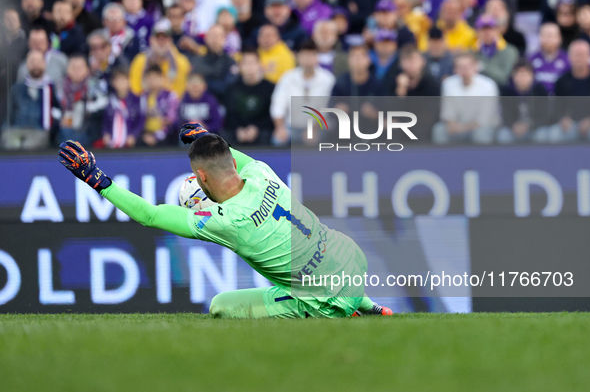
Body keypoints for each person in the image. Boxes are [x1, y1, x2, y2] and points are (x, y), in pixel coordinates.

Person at [57, 129, 394, 318]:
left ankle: (344, 310)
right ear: (232, 162)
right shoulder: (261, 172)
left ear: (200, 177)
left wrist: (96, 179)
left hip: (325, 296)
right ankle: (369, 306)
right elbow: (231, 154)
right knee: (305, 268)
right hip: (351, 257)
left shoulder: (227, 220)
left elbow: (149, 215)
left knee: (220, 306)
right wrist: (207, 135)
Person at [270, 40, 335, 145]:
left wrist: (313, 130)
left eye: (312, 55)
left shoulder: (328, 79)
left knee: (326, 136)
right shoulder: (287, 78)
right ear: (298, 57)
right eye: (305, 55)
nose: (308, 59)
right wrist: (280, 128)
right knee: (278, 140)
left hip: (318, 127)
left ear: (317, 57)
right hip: (291, 127)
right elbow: (278, 105)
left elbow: (326, 109)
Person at [433, 52, 499, 144]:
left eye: (467, 66)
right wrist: (454, 126)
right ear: (455, 69)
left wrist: (462, 128)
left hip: (481, 128)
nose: (464, 70)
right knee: (439, 130)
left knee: (481, 134)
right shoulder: (448, 84)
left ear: (476, 67)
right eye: (460, 67)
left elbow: (484, 119)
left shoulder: (488, 85)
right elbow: (448, 115)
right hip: (456, 128)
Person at [4, 50, 61, 149]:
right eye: (32, 62)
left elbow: (58, 112)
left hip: (38, 131)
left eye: (38, 61)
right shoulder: (16, 89)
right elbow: (9, 115)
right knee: (10, 143)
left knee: (28, 147)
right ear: (26, 65)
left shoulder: (50, 88)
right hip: (17, 130)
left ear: (44, 64)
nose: (35, 65)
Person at [223, 48, 274, 146]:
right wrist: (238, 129)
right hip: (238, 130)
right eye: (245, 63)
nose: (249, 67)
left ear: (259, 65)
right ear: (240, 66)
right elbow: (230, 115)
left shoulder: (270, 88)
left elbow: (271, 115)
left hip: (262, 130)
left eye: (252, 63)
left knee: (267, 136)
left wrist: (256, 128)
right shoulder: (232, 88)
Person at [129, 19, 191, 97]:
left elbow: (181, 93)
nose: (161, 41)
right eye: (157, 37)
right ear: (151, 40)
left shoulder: (181, 62)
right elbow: (135, 91)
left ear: (171, 40)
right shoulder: (140, 61)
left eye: (165, 38)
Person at [497, 59, 549, 144]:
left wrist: (528, 126)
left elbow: (544, 116)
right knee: (503, 136)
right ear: (514, 76)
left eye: (525, 75)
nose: (522, 78)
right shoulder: (507, 91)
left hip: (534, 128)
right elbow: (504, 115)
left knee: (541, 135)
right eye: (519, 74)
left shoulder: (540, 90)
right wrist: (513, 125)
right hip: (513, 127)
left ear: (532, 76)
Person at [551, 40, 590, 142]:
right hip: (570, 125)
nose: (579, 58)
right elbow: (557, 107)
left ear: (589, 56)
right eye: (576, 55)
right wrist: (563, 119)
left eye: (582, 55)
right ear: (569, 57)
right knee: (554, 135)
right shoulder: (562, 81)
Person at [190, 24, 239, 101]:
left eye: (218, 36)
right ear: (206, 38)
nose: (215, 39)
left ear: (224, 39)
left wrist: (205, 83)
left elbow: (227, 87)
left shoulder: (230, 63)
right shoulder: (197, 60)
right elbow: (192, 84)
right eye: (212, 36)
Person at [102, 68, 144, 148]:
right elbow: (106, 121)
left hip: (132, 143)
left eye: (123, 80)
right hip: (113, 142)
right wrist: (106, 133)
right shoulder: (110, 101)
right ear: (113, 83)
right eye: (118, 81)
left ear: (129, 81)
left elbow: (140, 121)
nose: (121, 84)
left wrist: (134, 136)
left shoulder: (137, 100)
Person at [472, 15, 518, 87]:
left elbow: (504, 78)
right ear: (477, 32)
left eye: (491, 29)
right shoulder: (472, 52)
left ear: (497, 30)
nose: (487, 32)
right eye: (483, 29)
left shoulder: (509, 51)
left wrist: (482, 67)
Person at [140, 64, 179, 146]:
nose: (152, 80)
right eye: (149, 77)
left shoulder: (170, 96)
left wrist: (157, 136)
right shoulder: (142, 97)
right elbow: (139, 120)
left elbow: (171, 120)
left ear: (162, 78)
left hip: (166, 134)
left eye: (155, 77)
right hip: (146, 134)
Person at [528, 23, 569, 95]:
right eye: (544, 35)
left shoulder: (568, 60)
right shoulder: (530, 60)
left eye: (551, 35)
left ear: (559, 38)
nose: (548, 39)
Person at [59, 55, 90, 144]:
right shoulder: (60, 87)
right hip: (64, 132)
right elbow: (54, 109)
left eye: (80, 68)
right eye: (73, 67)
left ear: (87, 70)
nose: (76, 71)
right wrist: (60, 120)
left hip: (86, 131)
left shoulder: (93, 87)